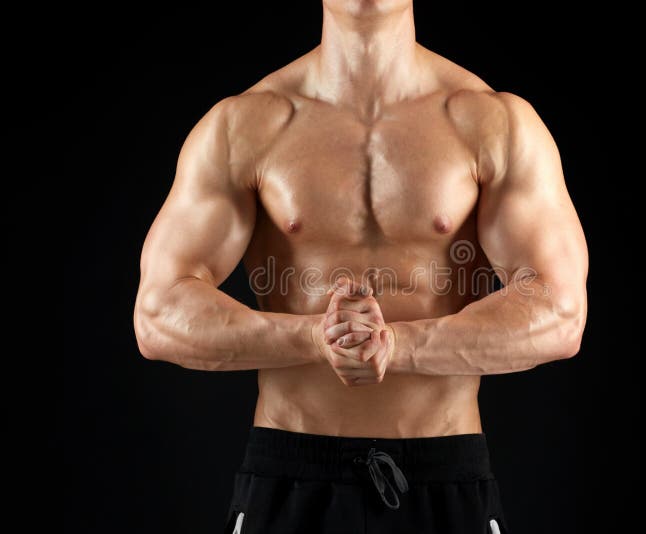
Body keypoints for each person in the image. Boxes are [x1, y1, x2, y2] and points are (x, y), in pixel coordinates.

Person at [133, 1, 588, 532]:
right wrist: (314, 339)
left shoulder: (493, 123)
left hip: (444, 474)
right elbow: (159, 314)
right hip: (290, 474)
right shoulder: (245, 125)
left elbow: (560, 313)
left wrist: (396, 345)